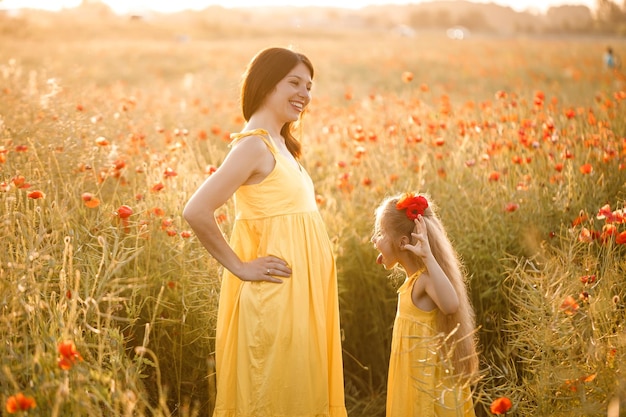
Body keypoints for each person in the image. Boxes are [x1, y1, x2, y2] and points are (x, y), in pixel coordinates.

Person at [183, 47, 347, 417]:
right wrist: (240, 266)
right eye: (294, 83)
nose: (305, 94)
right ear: (265, 84)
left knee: (297, 392)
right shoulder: (253, 145)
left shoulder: (280, 145)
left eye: (309, 85)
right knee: (271, 394)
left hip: (301, 297)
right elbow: (196, 210)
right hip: (276, 297)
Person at [371, 192, 479, 417]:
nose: (374, 240)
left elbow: (451, 305)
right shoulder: (412, 283)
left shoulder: (424, 281)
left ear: (402, 242)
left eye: (380, 234)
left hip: (430, 391)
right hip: (414, 384)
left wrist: (428, 257)